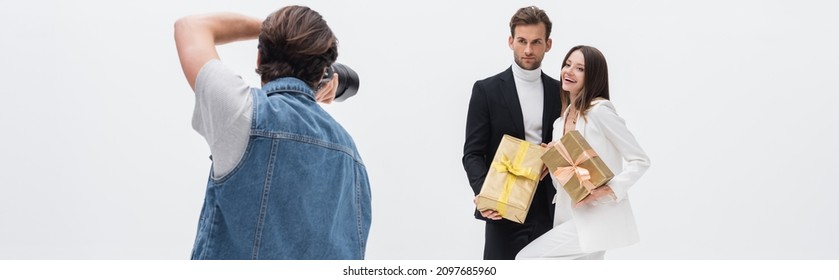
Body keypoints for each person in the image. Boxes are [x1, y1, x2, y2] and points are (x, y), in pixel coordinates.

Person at [174, 6, 371, 260]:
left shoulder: (242, 114)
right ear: (322, 72)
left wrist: (271, 31)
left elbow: (189, 27)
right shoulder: (352, 156)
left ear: (259, 57)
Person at [516, 45, 651, 259]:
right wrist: (551, 159)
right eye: (567, 64)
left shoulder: (599, 112)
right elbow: (567, 175)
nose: (569, 71)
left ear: (593, 76)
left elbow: (640, 160)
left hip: (597, 216)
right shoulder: (559, 123)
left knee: (526, 259)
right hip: (568, 214)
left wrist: (608, 189)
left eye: (580, 68)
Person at [462, 6, 563, 260]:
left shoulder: (560, 92)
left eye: (536, 42)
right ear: (511, 41)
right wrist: (485, 194)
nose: (528, 50)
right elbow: (472, 153)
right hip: (502, 206)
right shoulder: (486, 90)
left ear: (548, 44)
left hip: (549, 208)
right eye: (521, 41)